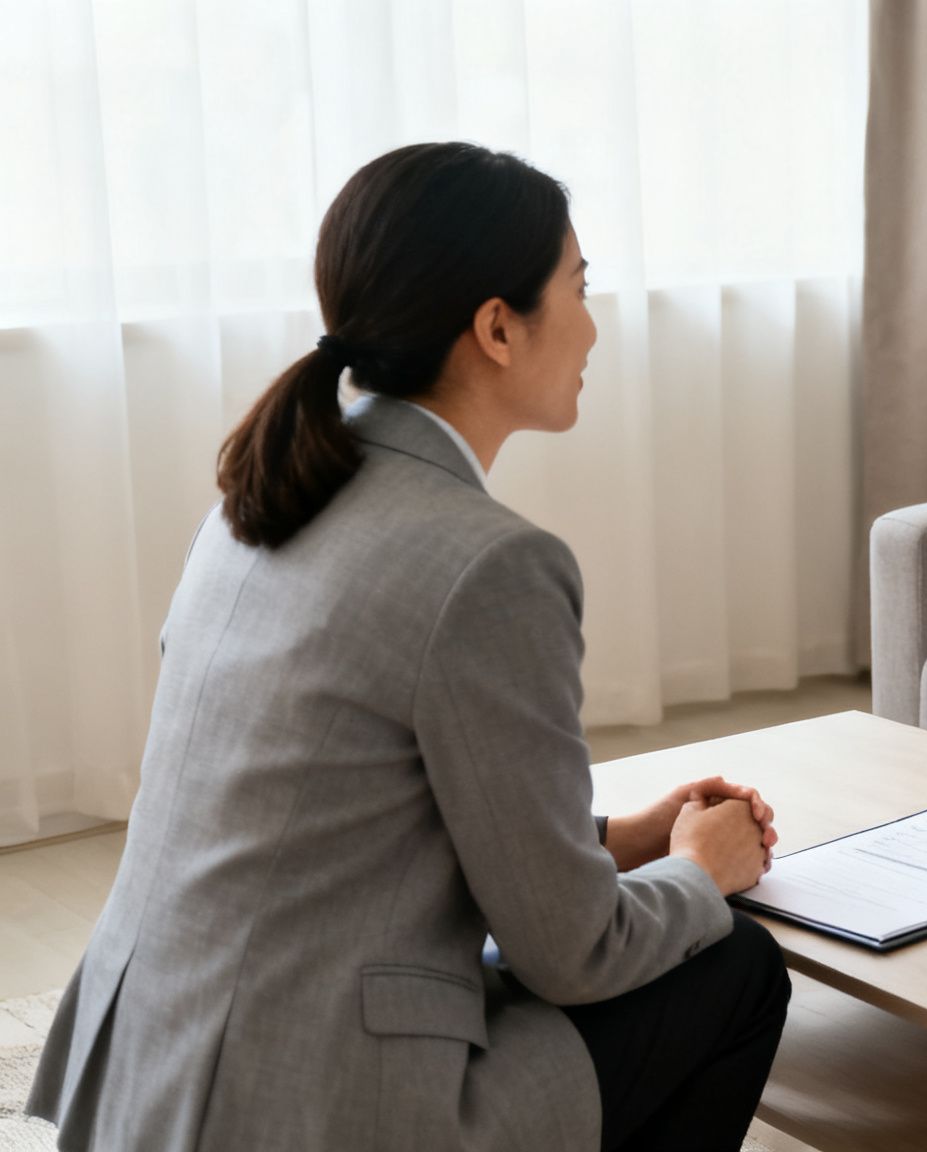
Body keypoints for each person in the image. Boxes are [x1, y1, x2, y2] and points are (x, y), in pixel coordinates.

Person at [28, 143, 789, 1152]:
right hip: (312, 1106)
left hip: (158, 1070)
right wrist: (700, 872)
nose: (596, 322)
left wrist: (630, 839)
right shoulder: (491, 566)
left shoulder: (263, 495)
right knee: (731, 963)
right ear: (495, 327)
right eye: (579, 286)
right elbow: (574, 957)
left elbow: (353, 812)